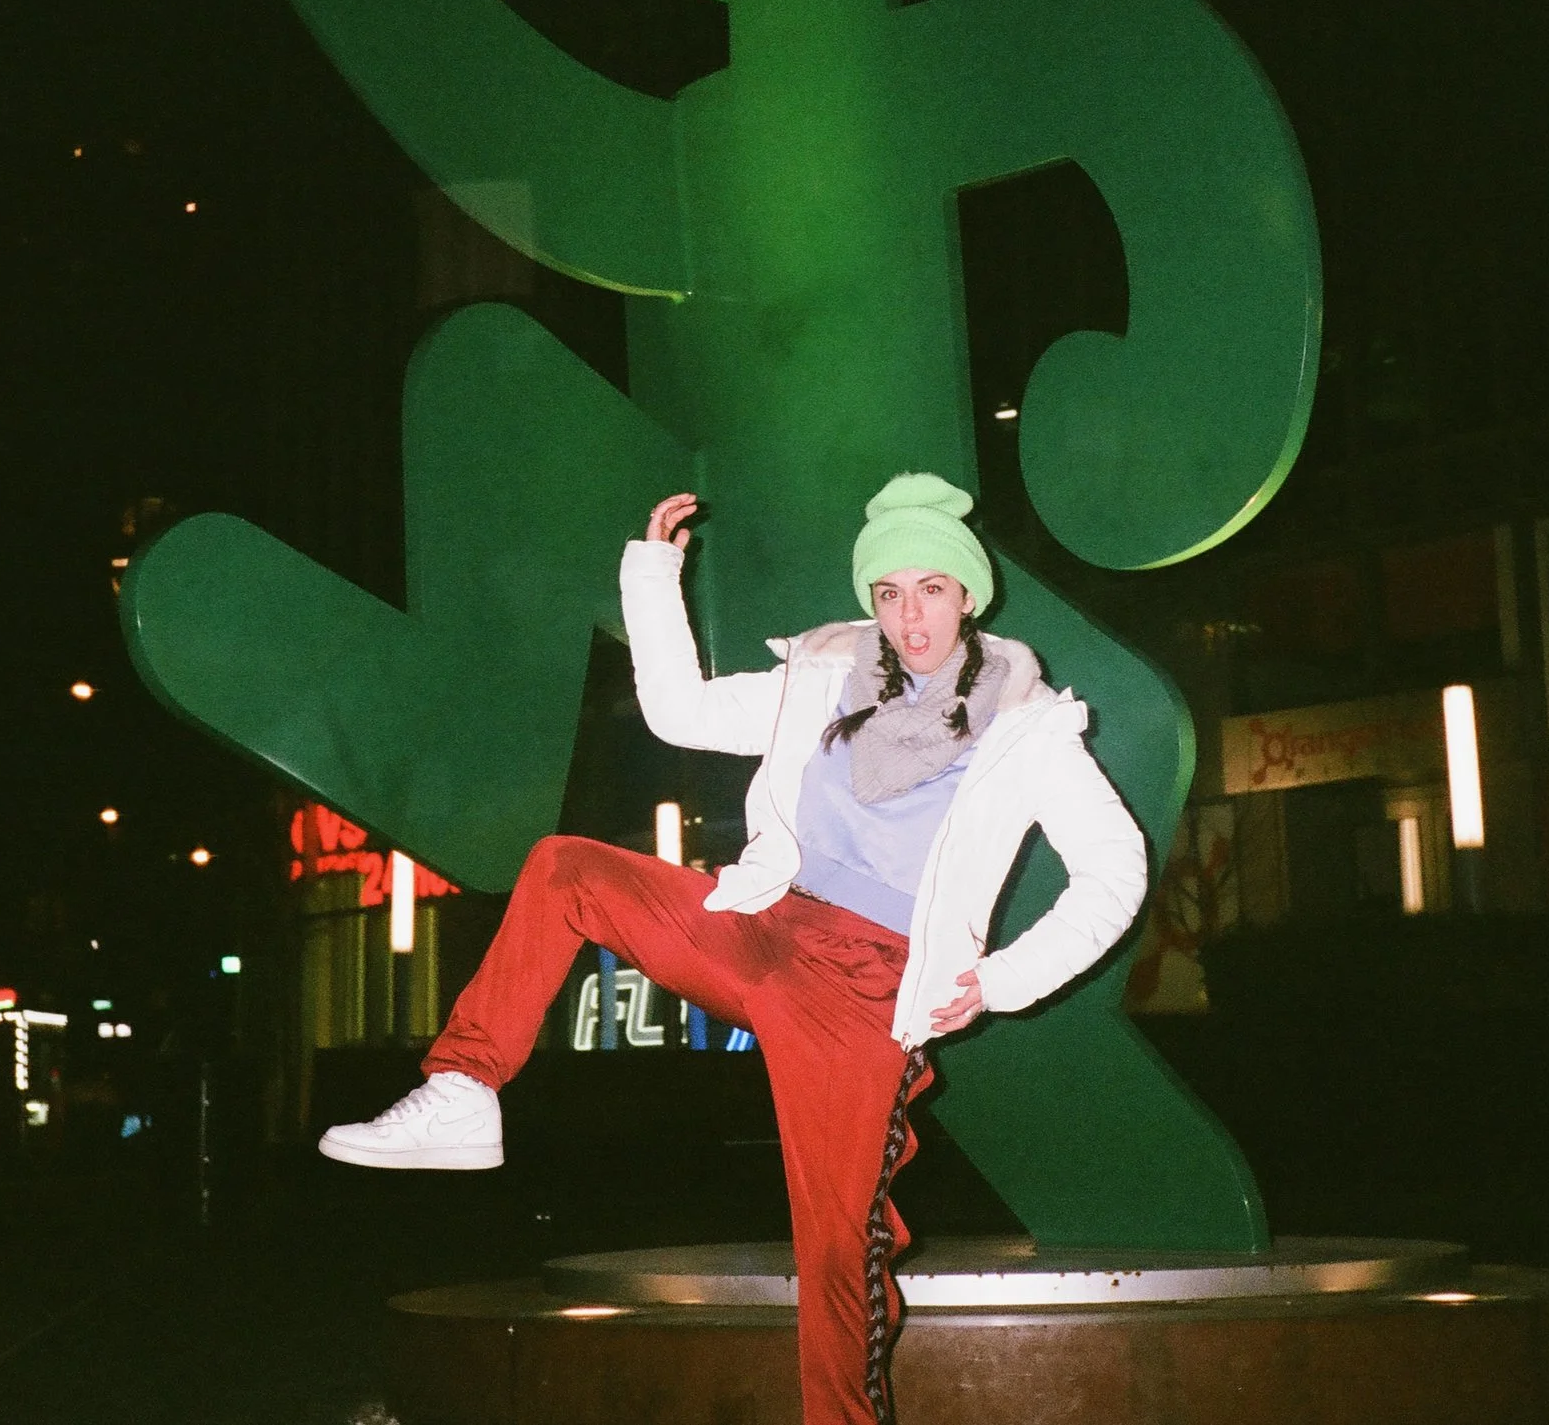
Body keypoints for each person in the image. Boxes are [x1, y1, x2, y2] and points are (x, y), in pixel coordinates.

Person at [317, 473, 1148, 1425]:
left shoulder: (1029, 729)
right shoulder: (827, 681)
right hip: (766, 927)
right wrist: (656, 573)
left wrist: (999, 981)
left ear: (969, 593)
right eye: (888, 593)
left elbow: (1116, 871)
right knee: (565, 868)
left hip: (871, 989)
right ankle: (464, 1089)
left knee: (835, 1249)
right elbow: (680, 712)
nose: (910, 616)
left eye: (930, 589)